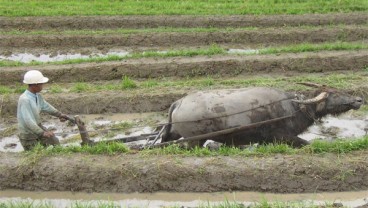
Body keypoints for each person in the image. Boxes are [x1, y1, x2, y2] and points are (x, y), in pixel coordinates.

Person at [17, 70, 68, 151]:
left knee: (54, 141)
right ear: (35, 85)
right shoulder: (25, 99)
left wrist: (59, 114)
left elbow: (46, 106)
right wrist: (42, 133)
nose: (43, 86)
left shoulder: (37, 96)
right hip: (28, 133)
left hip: (37, 127)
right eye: (41, 84)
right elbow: (28, 120)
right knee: (36, 152)